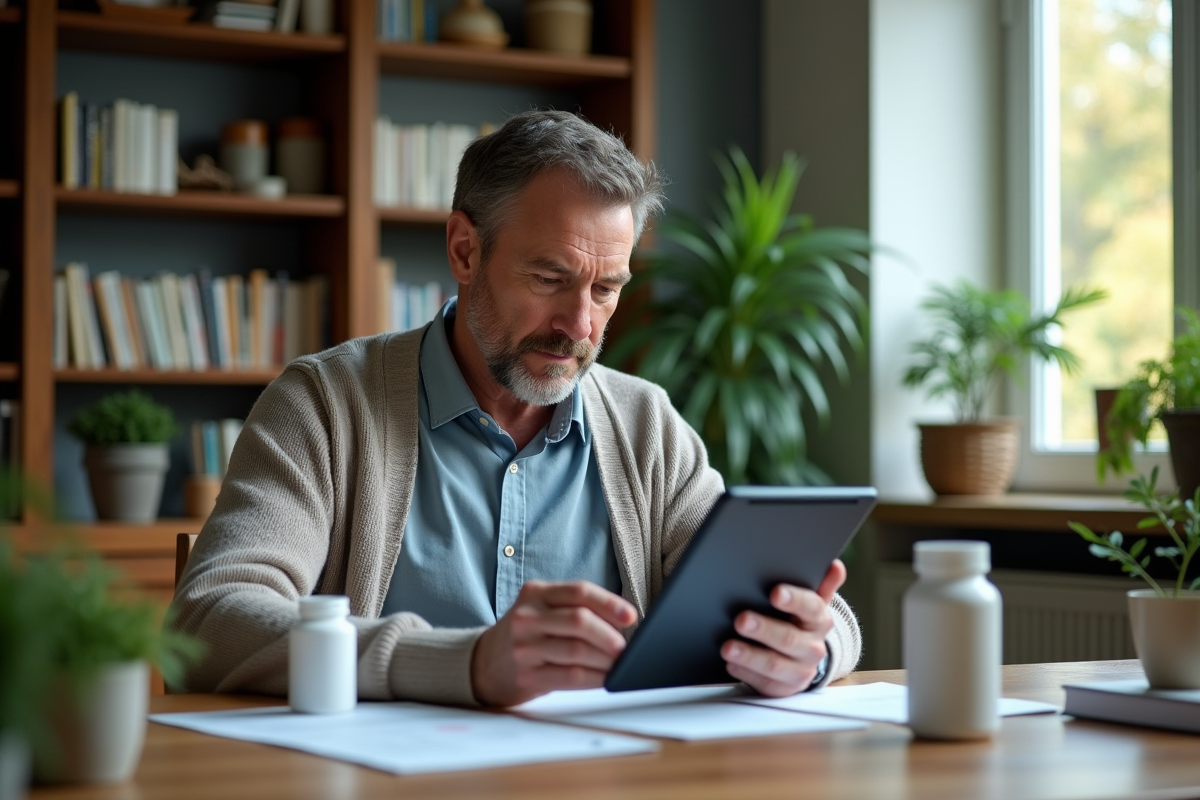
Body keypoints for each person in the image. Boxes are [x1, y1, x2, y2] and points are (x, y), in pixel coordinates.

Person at [169, 109, 861, 707]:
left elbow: (804, 610)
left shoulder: (646, 426)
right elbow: (211, 620)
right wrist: (464, 664)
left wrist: (811, 647)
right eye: (550, 278)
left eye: (605, 289)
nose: (580, 325)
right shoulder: (325, 405)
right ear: (465, 251)